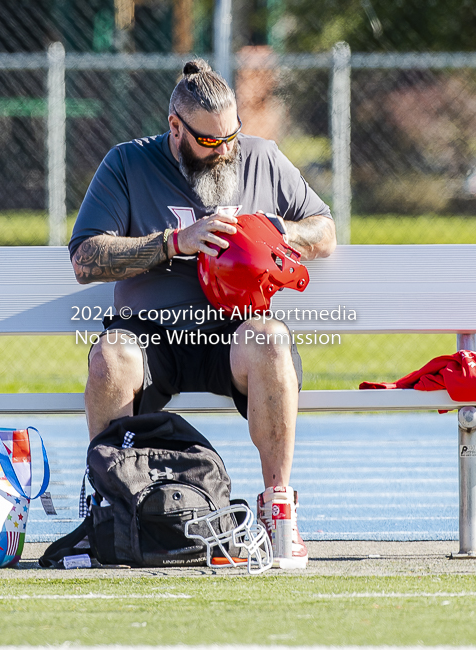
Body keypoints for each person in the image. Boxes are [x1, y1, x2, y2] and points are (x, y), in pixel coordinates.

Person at [69, 59, 336, 569]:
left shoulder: (262, 158)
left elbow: (324, 231)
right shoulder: (128, 164)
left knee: (271, 341)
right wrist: (175, 242)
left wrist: (276, 229)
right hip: (152, 336)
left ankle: (279, 508)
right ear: (176, 127)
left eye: (233, 136)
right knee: (110, 357)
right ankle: (113, 508)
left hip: (235, 332)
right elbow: (85, 259)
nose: (226, 150)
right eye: (210, 142)